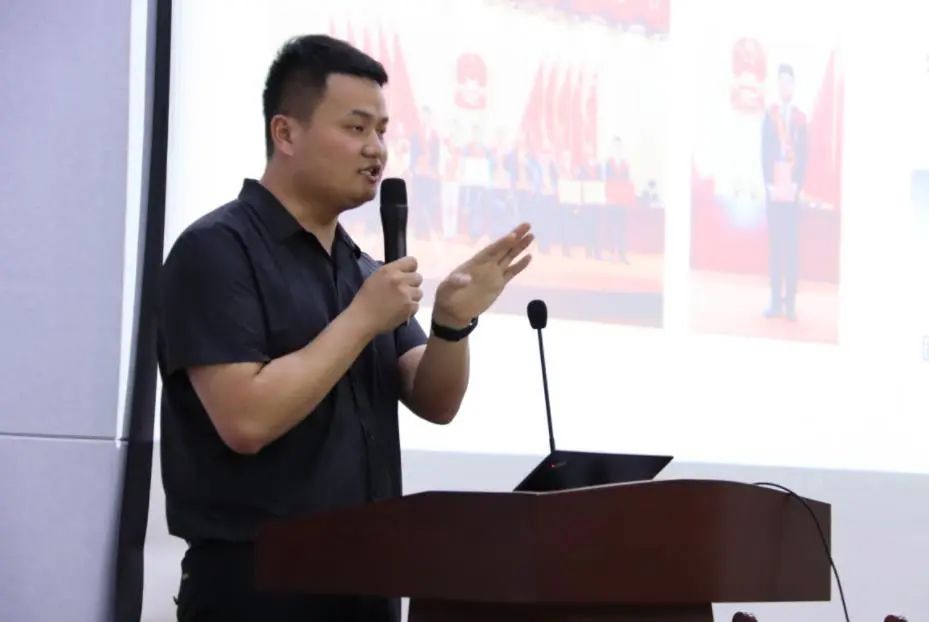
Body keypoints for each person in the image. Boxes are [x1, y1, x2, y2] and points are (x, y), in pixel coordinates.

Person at [157, 34, 533, 622]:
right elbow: (245, 420)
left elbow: (434, 400)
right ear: (286, 134)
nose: (376, 149)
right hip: (258, 589)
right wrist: (361, 318)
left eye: (382, 131)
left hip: (369, 581)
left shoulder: (360, 269)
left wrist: (452, 324)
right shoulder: (218, 249)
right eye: (356, 128)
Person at [761, 63, 807, 321]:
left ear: (793, 85)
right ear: (778, 85)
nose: (785, 86)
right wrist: (769, 184)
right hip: (774, 192)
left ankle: (790, 305)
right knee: (775, 248)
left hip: (792, 193)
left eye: (789, 81)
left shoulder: (800, 118)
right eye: (782, 81)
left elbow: (805, 153)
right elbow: (764, 151)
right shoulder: (770, 116)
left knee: (791, 249)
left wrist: (797, 184)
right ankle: (774, 304)